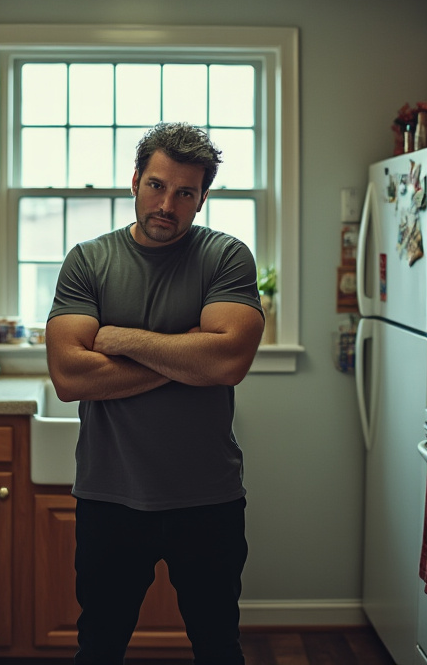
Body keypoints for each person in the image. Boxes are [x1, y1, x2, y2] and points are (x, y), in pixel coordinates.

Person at [45, 121, 266, 665]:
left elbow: (229, 360)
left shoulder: (225, 257)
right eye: (157, 186)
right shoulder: (88, 260)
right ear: (136, 180)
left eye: (185, 192)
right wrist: (186, 354)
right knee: (99, 646)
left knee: (218, 646)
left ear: (202, 198)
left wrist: (120, 340)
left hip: (207, 498)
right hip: (109, 497)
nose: (167, 203)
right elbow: (71, 377)